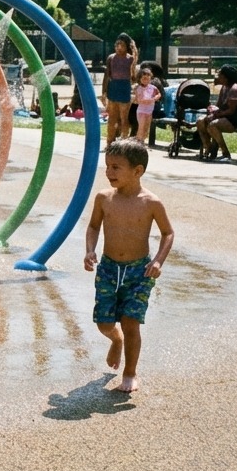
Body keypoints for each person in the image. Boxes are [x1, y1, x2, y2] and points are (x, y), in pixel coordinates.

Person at [83, 137, 174, 393]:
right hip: (109, 268)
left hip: (139, 271)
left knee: (131, 321)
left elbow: (168, 233)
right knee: (104, 323)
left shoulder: (151, 203)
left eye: (115, 167)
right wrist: (90, 250)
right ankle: (115, 340)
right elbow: (93, 226)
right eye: (107, 166)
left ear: (137, 171)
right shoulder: (104, 198)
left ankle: (130, 373)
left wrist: (158, 261)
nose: (108, 172)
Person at [195, 64, 237, 162]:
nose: (218, 77)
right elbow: (219, 106)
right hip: (227, 117)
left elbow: (231, 111)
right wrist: (212, 110)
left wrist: (215, 115)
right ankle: (208, 148)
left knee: (213, 125)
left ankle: (226, 154)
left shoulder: (235, 89)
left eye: (220, 75)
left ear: (226, 77)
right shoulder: (224, 88)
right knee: (200, 121)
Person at [102, 33, 138, 147]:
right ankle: (110, 141)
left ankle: (123, 141)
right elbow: (107, 75)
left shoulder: (130, 59)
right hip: (113, 87)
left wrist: (134, 50)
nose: (118, 47)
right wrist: (104, 92)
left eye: (121, 45)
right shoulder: (111, 58)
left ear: (126, 46)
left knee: (124, 117)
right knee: (112, 116)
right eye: (117, 45)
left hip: (124, 87)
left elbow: (133, 75)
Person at [132, 68, 161, 148]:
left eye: (148, 79)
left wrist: (155, 98)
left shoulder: (153, 88)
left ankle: (142, 140)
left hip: (149, 111)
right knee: (141, 126)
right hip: (142, 111)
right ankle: (138, 142)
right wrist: (146, 100)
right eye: (144, 79)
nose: (146, 80)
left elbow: (159, 94)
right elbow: (138, 99)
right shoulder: (138, 88)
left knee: (146, 127)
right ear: (140, 79)